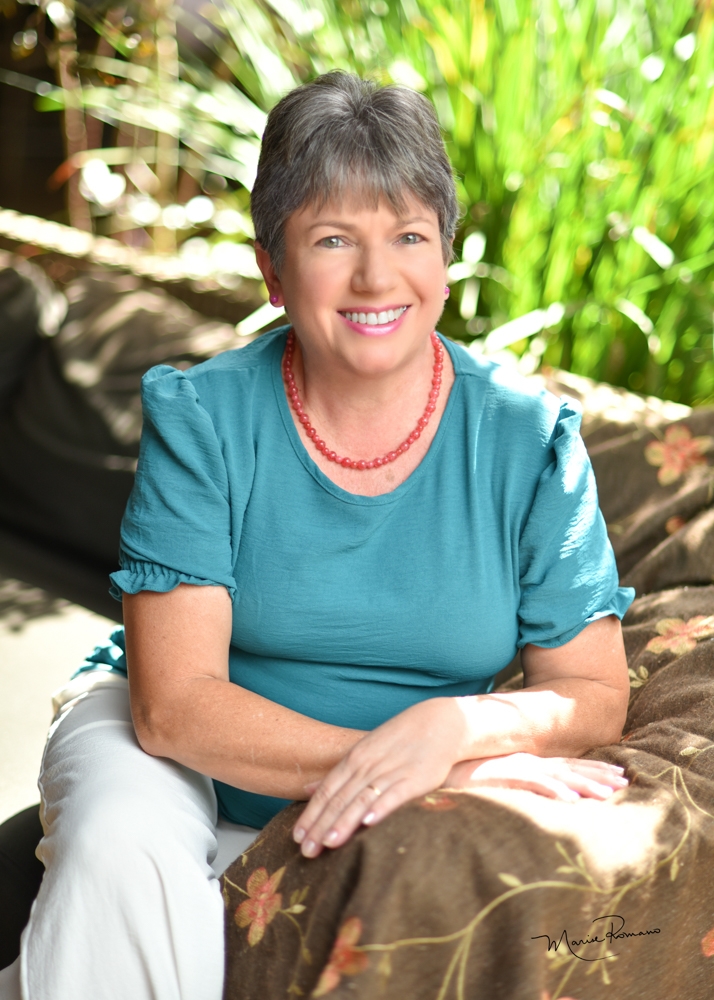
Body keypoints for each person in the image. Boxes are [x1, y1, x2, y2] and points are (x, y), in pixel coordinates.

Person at [1, 71, 633, 1000]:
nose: (377, 278)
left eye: (408, 236)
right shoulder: (205, 415)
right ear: (273, 269)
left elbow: (592, 692)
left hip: (417, 771)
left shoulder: (527, 440)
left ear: (446, 257)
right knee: (116, 841)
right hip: (164, 754)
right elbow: (172, 709)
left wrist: (455, 728)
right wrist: (416, 765)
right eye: (333, 239)